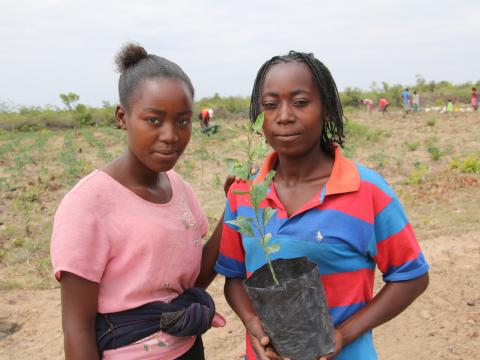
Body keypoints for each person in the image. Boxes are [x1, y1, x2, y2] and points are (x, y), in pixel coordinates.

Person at [215, 51, 429, 360]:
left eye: (300, 102)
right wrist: (253, 326)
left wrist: (343, 334)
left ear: (326, 109)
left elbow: (411, 276)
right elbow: (234, 277)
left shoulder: (367, 191)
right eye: (270, 105)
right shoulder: (245, 192)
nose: (284, 115)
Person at [50, 43, 227, 360]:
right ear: (123, 117)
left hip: (188, 349)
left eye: (183, 121)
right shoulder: (88, 203)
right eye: (154, 120)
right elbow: (77, 327)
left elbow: (193, 278)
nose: (171, 135)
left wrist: (235, 209)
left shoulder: (179, 188)